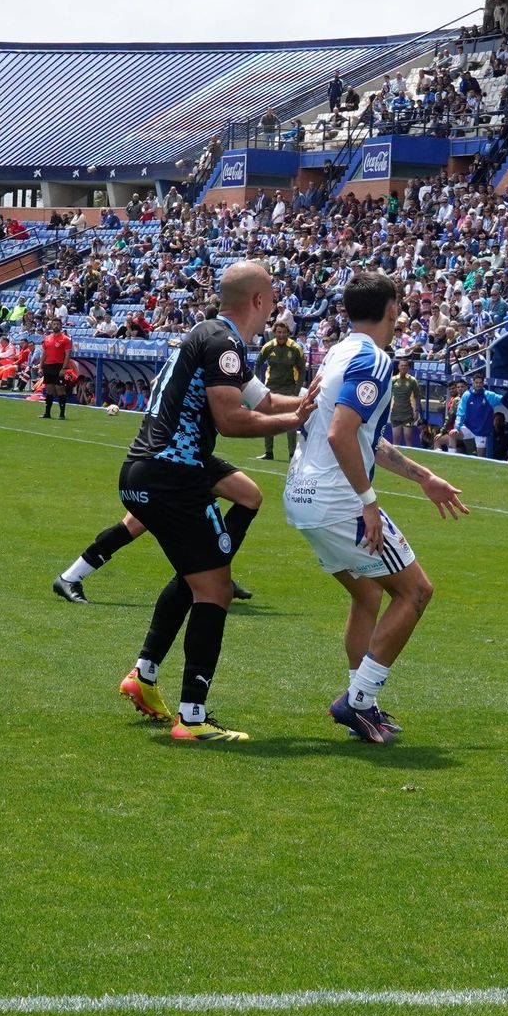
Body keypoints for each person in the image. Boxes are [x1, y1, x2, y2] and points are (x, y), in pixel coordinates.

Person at [112, 262, 317, 743]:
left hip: (150, 470)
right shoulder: (224, 344)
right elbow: (231, 419)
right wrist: (297, 423)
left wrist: (315, 400)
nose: (274, 309)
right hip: (174, 474)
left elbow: (265, 403)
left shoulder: (212, 336)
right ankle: (192, 718)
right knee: (214, 590)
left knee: (204, 572)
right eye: (272, 299)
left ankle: (145, 675)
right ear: (259, 301)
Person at [283, 272, 469, 744]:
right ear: (392, 309)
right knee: (416, 592)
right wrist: (369, 503)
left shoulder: (336, 353)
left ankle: (361, 705)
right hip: (337, 500)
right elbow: (340, 434)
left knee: (367, 595)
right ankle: (358, 700)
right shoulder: (374, 359)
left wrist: (424, 477)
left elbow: (362, 436)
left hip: (303, 496)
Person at [255, 318, 305, 460]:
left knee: (291, 421)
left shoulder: (296, 348)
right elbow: (257, 365)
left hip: (289, 388)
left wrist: (296, 391)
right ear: (274, 333)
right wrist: (259, 384)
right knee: (267, 420)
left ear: (288, 333)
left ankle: (292, 454)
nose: (281, 335)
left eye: (284, 332)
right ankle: (268, 452)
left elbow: (302, 371)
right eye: (278, 332)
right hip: (271, 388)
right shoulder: (268, 346)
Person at [39, 318, 74, 418]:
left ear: (61, 326)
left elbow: (67, 355)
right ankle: (47, 413)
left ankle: (62, 414)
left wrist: (64, 368)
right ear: (51, 325)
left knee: (60, 390)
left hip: (59, 366)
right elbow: (44, 354)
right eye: (54, 324)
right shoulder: (47, 338)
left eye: (58, 324)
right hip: (48, 366)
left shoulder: (66, 339)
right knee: (49, 390)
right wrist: (41, 367)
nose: (56, 326)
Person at [388, 355, 422, 446]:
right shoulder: (393, 380)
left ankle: (409, 455)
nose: (403, 367)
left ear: (408, 367)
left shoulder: (413, 381)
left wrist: (417, 411)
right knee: (396, 439)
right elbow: (387, 395)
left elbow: (417, 396)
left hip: (408, 414)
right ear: (398, 366)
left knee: (408, 437)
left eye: (405, 365)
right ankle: (395, 455)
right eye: (402, 365)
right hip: (395, 413)